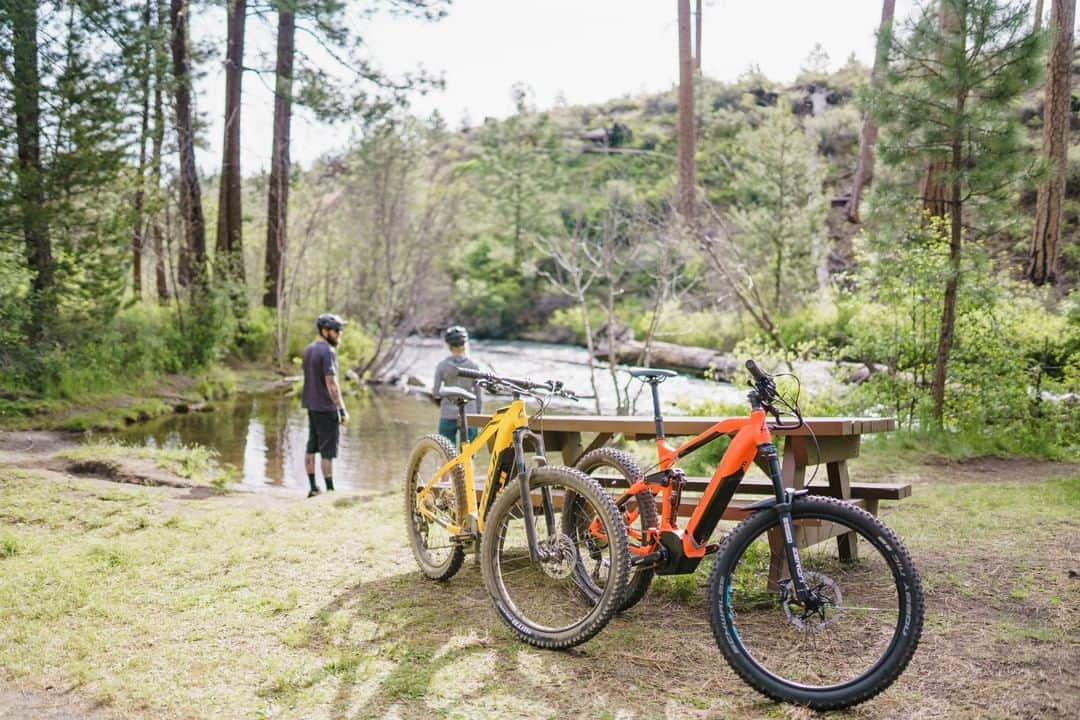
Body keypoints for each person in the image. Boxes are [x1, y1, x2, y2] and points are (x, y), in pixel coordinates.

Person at [301, 313, 349, 497]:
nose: (339, 335)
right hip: (326, 408)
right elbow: (331, 383)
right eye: (337, 331)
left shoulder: (309, 349)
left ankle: (313, 487)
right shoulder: (328, 352)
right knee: (327, 452)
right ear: (325, 331)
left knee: (311, 446)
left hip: (311, 406)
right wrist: (341, 409)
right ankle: (330, 490)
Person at [432, 325, 482, 447]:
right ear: (465, 344)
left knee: (446, 451)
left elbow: (436, 392)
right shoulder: (474, 366)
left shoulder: (442, 366)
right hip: (469, 414)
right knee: (468, 454)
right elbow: (478, 395)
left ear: (449, 346)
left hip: (447, 413)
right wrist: (478, 413)